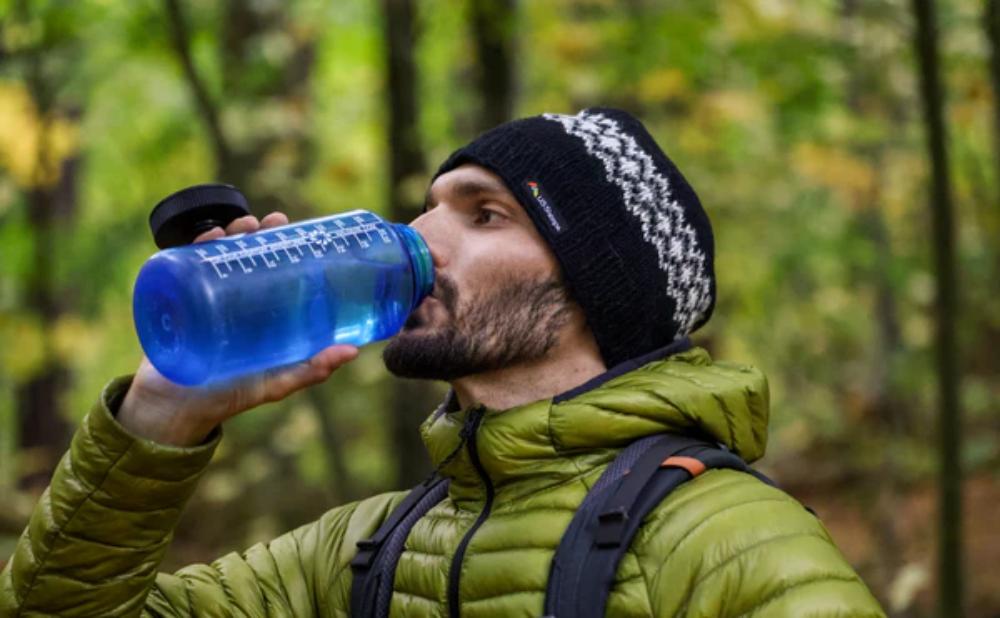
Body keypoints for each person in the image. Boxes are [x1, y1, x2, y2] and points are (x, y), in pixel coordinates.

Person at [0, 108, 886, 616]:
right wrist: (163, 415)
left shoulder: (730, 543)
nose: (420, 237)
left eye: (484, 214)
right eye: (429, 206)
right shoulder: (363, 551)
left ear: (592, 286)